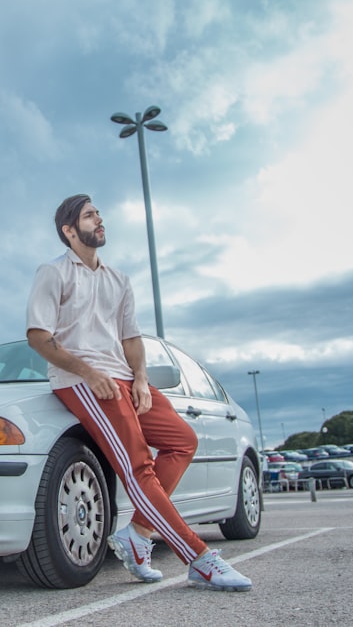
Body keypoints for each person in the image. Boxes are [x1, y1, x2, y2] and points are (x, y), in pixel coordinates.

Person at [25, 193, 252, 592]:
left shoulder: (118, 279)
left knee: (183, 440)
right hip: (82, 382)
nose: (100, 219)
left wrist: (142, 379)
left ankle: (139, 532)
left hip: (125, 380)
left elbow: (131, 338)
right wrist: (89, 373)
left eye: (98, 213)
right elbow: (39, 338)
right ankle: (199, 559)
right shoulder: (54, 273)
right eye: (90, 215)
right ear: (68, 230)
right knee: (138, 468)